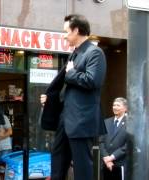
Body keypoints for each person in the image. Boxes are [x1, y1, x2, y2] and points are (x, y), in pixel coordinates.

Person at [40, 14, 107, 180]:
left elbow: (92, 81)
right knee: (57, 162)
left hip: (81, 121)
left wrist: (71, 73)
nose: (64, 36)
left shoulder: (95, 53)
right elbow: (67, 89)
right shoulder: (74, 53)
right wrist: (51, 100)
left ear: (76, 30)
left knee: (83, 168)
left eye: (66, 31)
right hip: (66, 119)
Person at [100, 97, 129, 180]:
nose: (115, 107)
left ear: (125, 108)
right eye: (114, 105)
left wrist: (112, 157)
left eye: (118, 105)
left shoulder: (130, 123)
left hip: (121, 164)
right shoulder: (106, 122)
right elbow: (101, 141)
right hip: (106, 164)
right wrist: (106, 158)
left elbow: (128, 144)